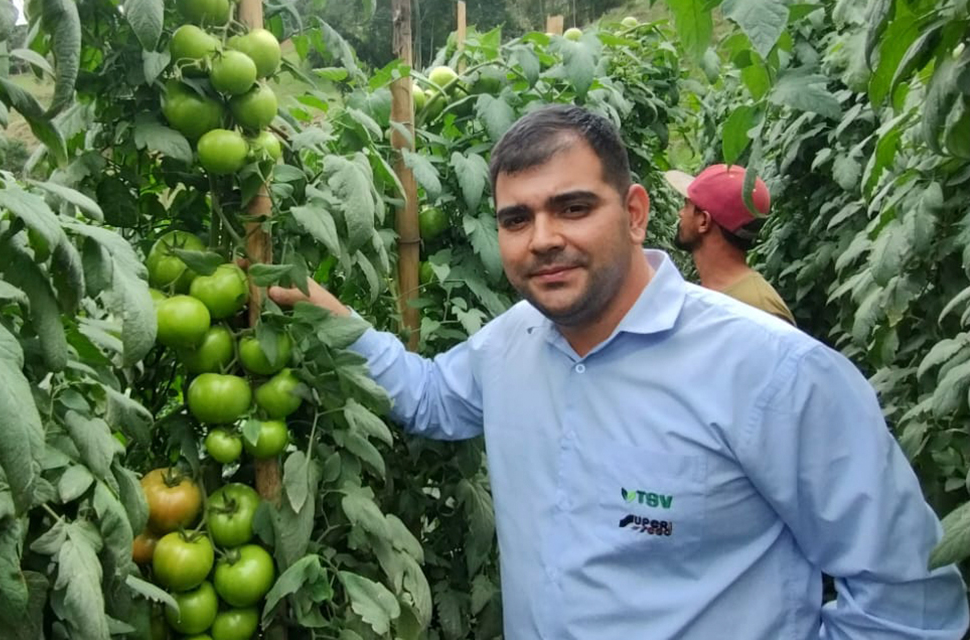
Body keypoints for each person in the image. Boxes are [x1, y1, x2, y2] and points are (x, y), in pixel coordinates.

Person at [266, 105, 968, 638]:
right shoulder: (513, 343)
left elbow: (910, 601)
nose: (544, 239)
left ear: (634, 213)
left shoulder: (775, 373)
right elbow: (429, 399)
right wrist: (327, 315)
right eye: (517, 219)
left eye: (573, 207)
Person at [665, 164, 796, 325]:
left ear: (703, 221)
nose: (681, 213)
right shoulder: (712, 294)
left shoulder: (759, 310)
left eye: (687, 205)